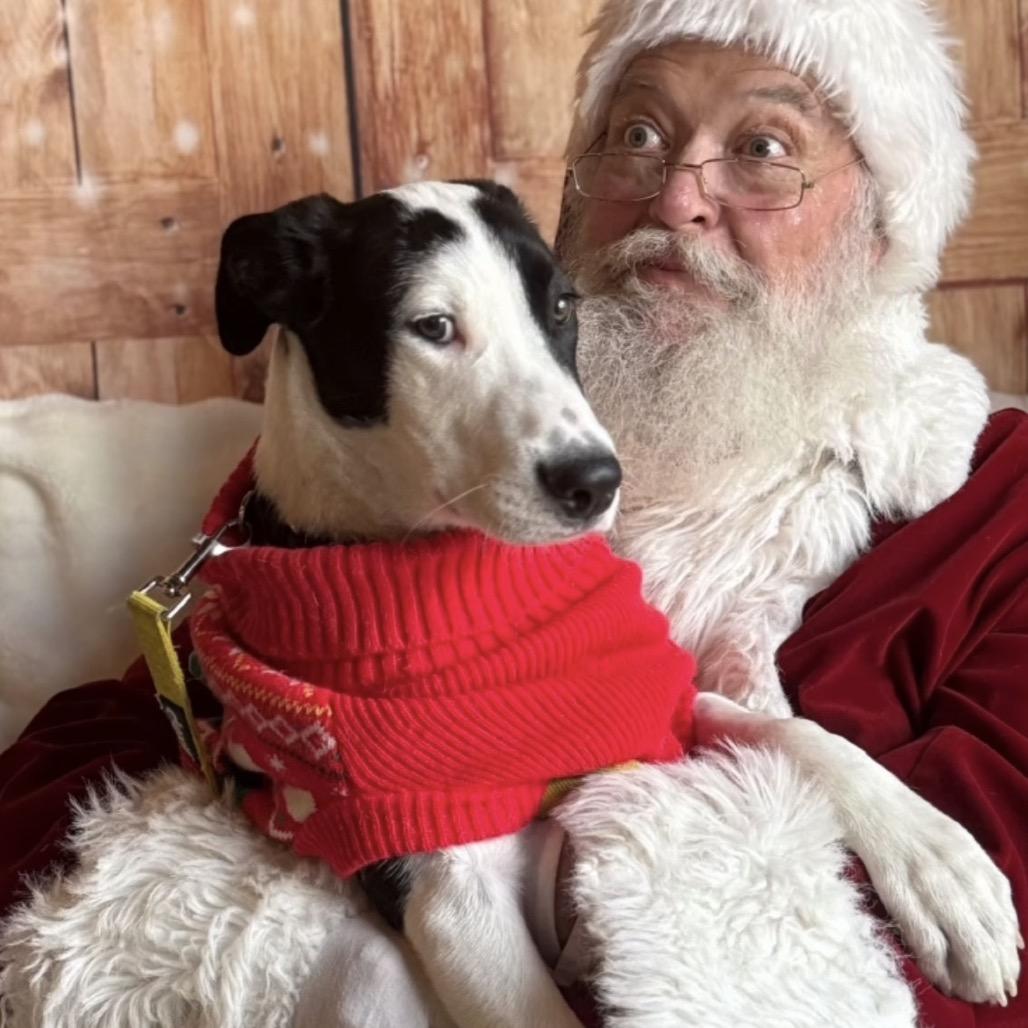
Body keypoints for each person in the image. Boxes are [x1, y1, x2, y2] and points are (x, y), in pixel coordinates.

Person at [2, 0, 1025, 1024]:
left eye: (762, 148)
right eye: (634, 135)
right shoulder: (360, 497)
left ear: (886, 222)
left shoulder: (992, 510)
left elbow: (978, 957)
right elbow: (77, 797)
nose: (676, 197)